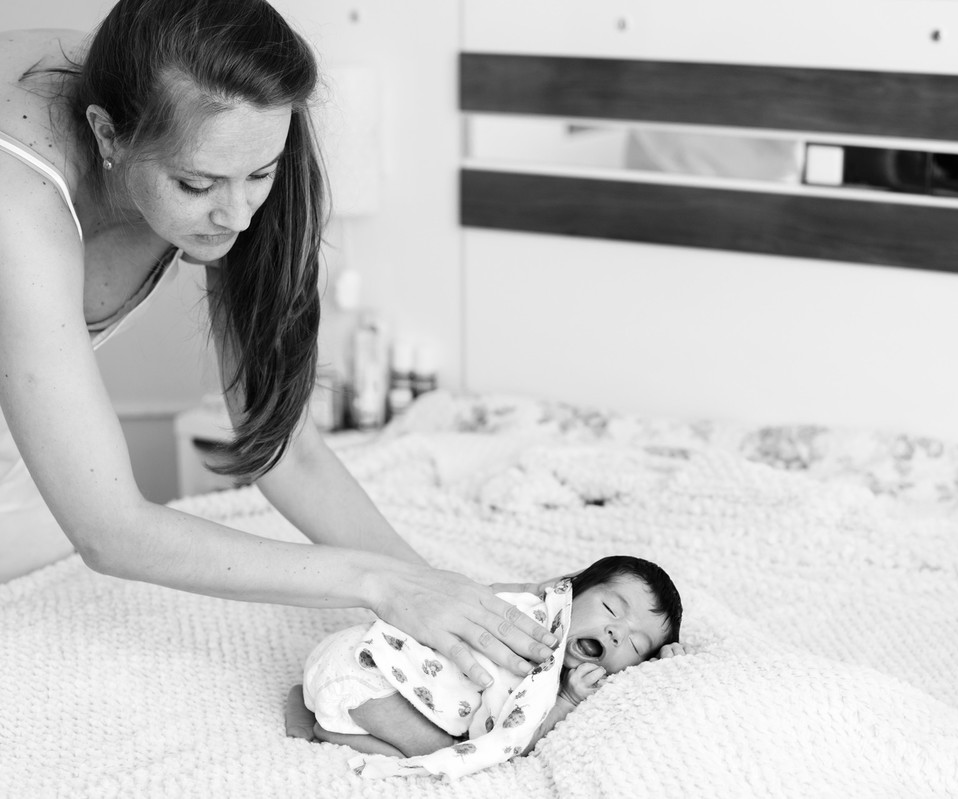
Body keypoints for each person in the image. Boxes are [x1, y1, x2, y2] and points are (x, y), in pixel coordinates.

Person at [0, 0, 557, 688]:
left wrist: (437, 592)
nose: (237, 215)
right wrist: (375, 582)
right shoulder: (20, 199)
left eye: (261, 175)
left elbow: (288, 447)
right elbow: (110, 531)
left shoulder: (221, 113)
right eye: (196, 184)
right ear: (107, 133)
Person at [291, 555, 685, 778]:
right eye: (611, 608)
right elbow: (510, 741)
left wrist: (663, 670)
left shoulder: (541, 639)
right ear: (569, 591)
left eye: (636, 644)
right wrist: (566, 699)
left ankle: (310, 702)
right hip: (364, 676)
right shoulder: (530, 627)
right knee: (450, 754)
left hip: (353, 652)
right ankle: (326, 730)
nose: (617, 633)